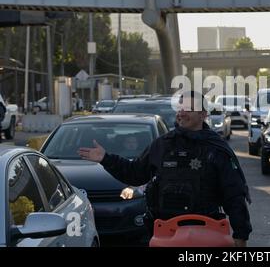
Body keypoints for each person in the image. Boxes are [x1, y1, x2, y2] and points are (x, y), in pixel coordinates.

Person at [78, 91, 252, 247]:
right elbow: (135, 173)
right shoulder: (162, 145)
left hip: (206, 232)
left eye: (189, 109)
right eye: (180, 108)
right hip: (165, 233)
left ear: (203, 114)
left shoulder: (216, 149)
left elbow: (234, 194)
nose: (182, 113)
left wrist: (240, 234)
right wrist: (106, 159)